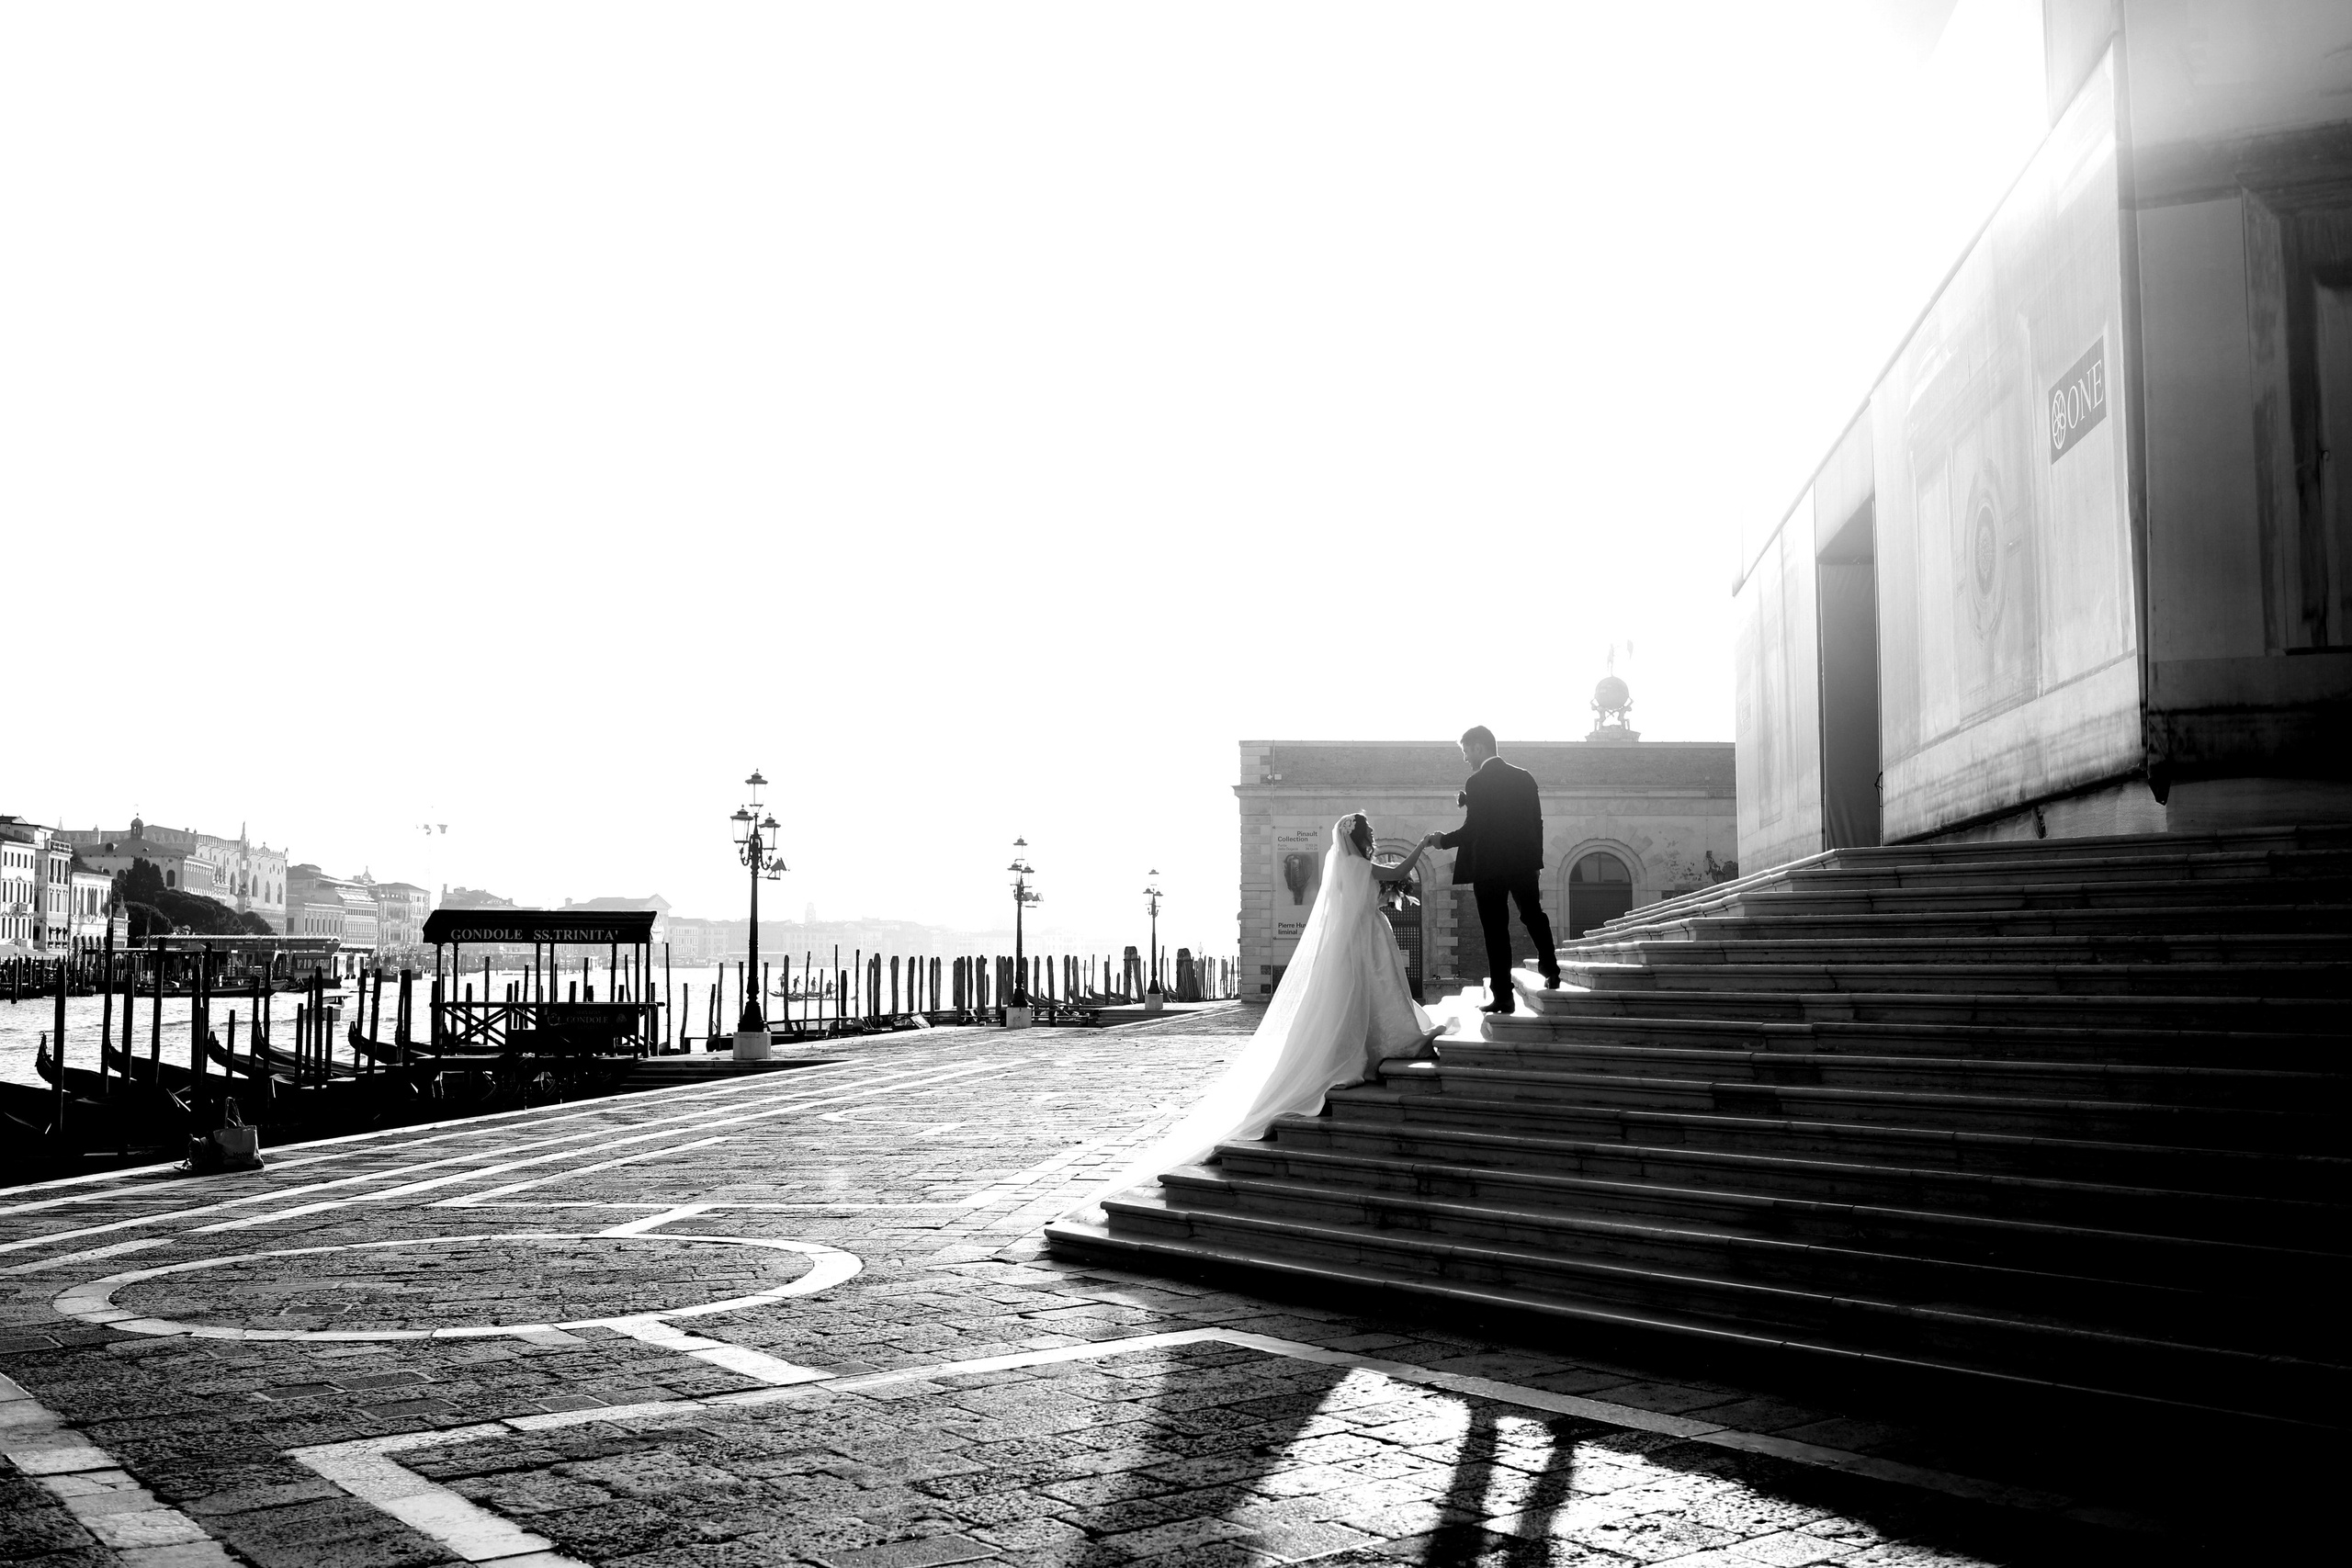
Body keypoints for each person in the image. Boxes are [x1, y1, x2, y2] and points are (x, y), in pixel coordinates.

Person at [1067, 813, 1437, 1218]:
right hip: (1369, 935)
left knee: (1362, 997)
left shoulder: (1343, 864)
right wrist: (1420, 845)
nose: (1371, 836)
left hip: (1357, 938)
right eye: (1369, 832)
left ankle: (1366, 1045)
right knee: (1376, 991)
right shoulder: (1361, 864)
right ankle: (1383, 1042)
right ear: (1361, 837)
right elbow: (1401, 869)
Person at [1423, 725, 1560, 1013]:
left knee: (1496, 932)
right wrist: (1535, 861)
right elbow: (1538, 823)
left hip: (1489, 868)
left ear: (1478, 748)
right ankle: (1551, 967)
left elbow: (1473, 829)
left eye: (1465, 752)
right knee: (1533, 914)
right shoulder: (1525, 777)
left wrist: (1442, 841)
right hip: (1524, 863)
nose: (1465, 759)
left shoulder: (1477, 781)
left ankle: (1503, 996)